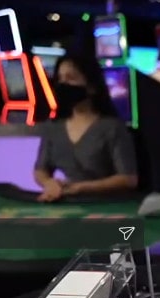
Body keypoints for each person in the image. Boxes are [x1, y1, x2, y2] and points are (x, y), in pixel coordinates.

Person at [32, 54, 138, 202]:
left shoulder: (112, 127)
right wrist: (49, 183)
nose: (63, 84)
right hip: (68, 202)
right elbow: (40, 169)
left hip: (106, 204)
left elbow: (129, 179)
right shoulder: (53, 127)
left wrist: (81, 188)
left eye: (71, 78)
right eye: (60, 79)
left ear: (91, 87)